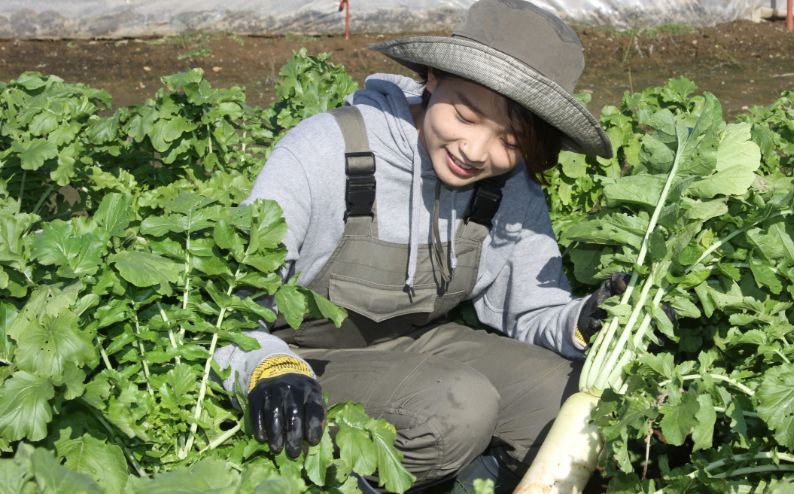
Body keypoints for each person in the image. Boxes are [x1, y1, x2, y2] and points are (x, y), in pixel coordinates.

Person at [213, 0, 618, 491]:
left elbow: (530, 312)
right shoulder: (329, 150)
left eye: (510, 140)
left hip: (416, 341)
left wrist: (583, 320)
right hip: (304, 358)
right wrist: (269, 368)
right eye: (466, 116)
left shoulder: (507, 185)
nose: (476, 151)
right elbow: (231, 313)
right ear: (431, 76)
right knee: (458, 408)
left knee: (565, 396)